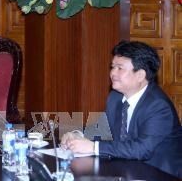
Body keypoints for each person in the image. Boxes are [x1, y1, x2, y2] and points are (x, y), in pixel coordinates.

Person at [61, 41, 182, 178]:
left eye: (120, 68)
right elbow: (101, 130)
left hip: (159, 174)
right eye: (112, 67)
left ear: (140, 75)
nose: (112, 73)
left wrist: (94, 147)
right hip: (126, 170)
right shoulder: (115, 98)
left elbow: (141, 149)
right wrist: (77, 135)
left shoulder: (158, 106)